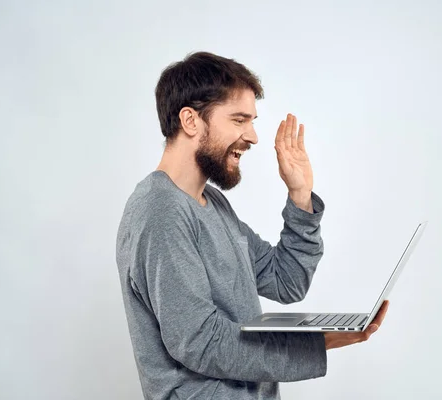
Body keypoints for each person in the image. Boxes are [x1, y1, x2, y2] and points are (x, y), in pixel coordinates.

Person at [115, 51, 389, 400]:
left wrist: (300, 196)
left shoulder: (212, 204)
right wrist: (316, 345)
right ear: (190, 121)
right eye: (239, 120)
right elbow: (200, 342)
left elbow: (285, 281)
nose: (254, 136)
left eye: (252, 121)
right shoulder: (161, 211)